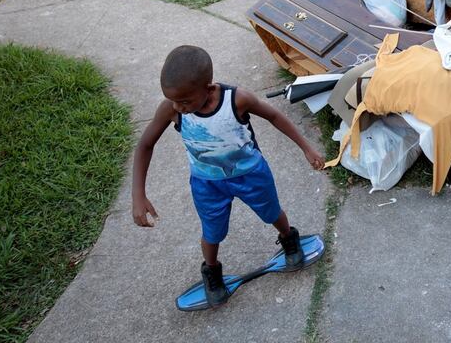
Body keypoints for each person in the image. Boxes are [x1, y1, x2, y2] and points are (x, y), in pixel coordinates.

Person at [131, 45, 325, 307]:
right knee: (211, 232)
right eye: (173, 100)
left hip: (251, 174)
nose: (179, 107)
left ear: (209, 88)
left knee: (272, 211)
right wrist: (138, 195)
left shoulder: (237, 99)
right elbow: (145, 145)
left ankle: (290, 241)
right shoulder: (171, 109)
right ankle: (212, 274)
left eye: (185, 101)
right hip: (207, 184)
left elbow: (274, 116)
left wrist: (306, 147)